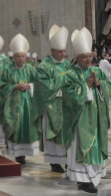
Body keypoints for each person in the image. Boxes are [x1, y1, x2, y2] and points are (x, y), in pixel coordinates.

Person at [62, 27, 111, 193]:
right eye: (85, 57)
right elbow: (69, 97)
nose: (89, 59)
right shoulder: (70, 75)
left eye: (90, 56)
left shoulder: (97, 71)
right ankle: (83, 180)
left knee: (95, 146)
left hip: (96, 119)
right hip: (80, 119)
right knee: (82, 147)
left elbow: (108, 87)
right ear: (77, 58)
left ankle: (91, 177)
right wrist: (86, 86)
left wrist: (99, 84)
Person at [33, 24, 70, 173]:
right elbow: (42, 86)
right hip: (51, 105)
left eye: (63, 51)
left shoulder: (67, 64)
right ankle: (54, 162)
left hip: (67, 106)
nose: (62, 54)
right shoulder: (44, 66)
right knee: (54, 134)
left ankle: (68, 160)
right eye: (59, 51)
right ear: (52, 51)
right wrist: (62, 86)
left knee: (68, 133)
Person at [0, 34, 38, 164]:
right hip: (13, 104)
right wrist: (15, 86)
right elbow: (1, 86)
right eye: (18, 56)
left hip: (28, 105)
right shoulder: (8, 70)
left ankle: (25, 153)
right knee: (15, 126)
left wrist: (30, 86)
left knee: (27, 126)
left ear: (25, 57)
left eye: (22, 56)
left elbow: (38, 83)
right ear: (13, 57)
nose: (20, 59)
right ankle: (17, 155)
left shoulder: (31, 69)